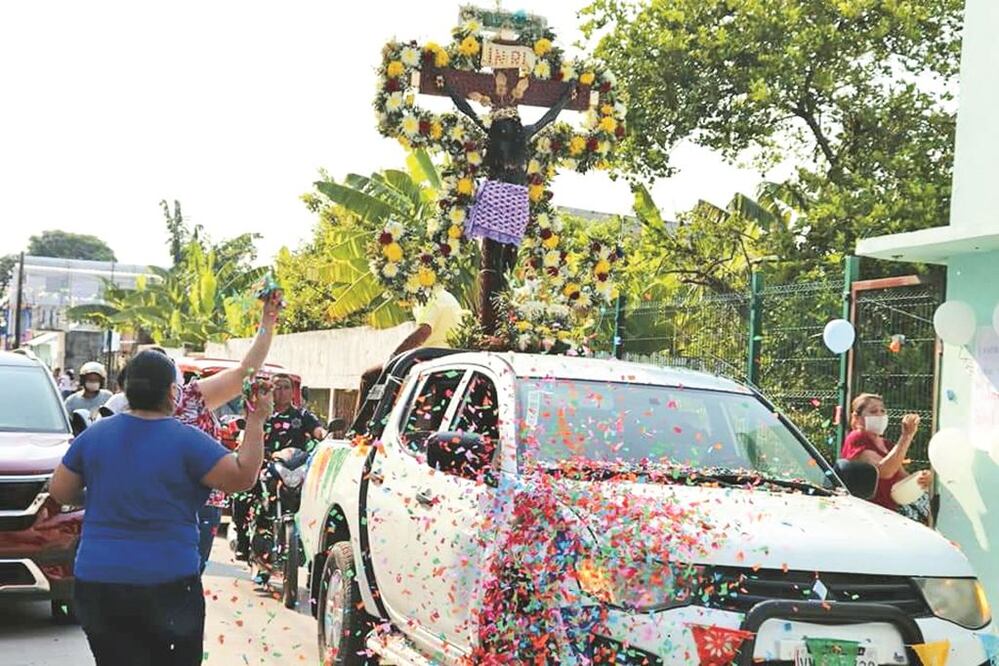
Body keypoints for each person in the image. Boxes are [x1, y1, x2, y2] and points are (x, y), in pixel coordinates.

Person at [48, 350, 272, 666]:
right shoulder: (188, 441)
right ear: (171, 392)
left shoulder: (94, 437)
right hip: (168, 585)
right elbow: (243, 476)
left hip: (99, 583)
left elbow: (61, 490)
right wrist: (256, 419)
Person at [95, 296, 284, 572]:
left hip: (200, 508)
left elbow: (247, 370)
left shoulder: (193, 397)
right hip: (141, 505)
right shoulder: (118, 409)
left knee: (182, 582)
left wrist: (268, 320)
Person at [231, 373, 325, 562]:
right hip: (263, 467)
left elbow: (317, 430)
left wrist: (325, 435)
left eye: (286, 387)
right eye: (277, 387)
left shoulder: (302, 416)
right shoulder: (260, 414)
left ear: (293, 392)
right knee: (241, 496)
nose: (282, 392)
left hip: (295, 470)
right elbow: (246, 433)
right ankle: (242, 541)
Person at [355, 289, 465, 413]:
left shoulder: (431, 299)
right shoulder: (446, 296)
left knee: (370, 377)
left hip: (431, 359)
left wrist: (394, 357)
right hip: (446, 358)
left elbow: (423, 332)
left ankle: (362, 429)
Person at [841, 393, 933, 521]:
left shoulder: (888, 445)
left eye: (882, 411)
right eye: (873, 411)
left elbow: (902, 477)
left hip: (889, 513)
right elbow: (884, 471)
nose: (880, 415)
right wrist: (906, 436)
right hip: (867, 514)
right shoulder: (857, 438)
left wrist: (923, 479)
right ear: (858, 418)